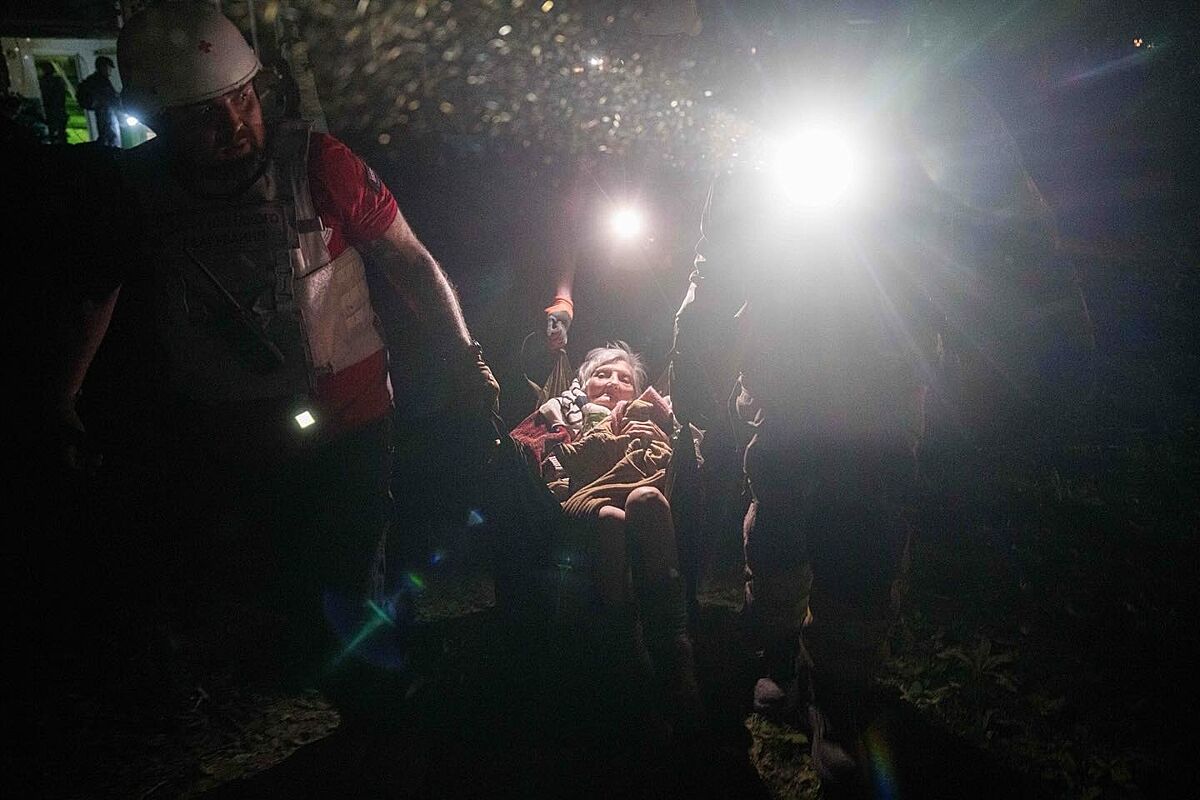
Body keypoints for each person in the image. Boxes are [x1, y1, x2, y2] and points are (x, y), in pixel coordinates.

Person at [47, 2, 499, 723]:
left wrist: (465, 359)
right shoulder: (139, 195)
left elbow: (410, 262)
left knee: (353, 562)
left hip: (352, 416)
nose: (233, 124)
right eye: (204, 114)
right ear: (160, 120)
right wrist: (60, 399)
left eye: (242, 99)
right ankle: (346, 678)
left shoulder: (322, 166)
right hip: (231, 430)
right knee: (281, 575)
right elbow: (97, 292)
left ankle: (379, 705)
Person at [511, 342, 701, 731]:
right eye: (601, 374)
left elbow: (679, 447)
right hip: (583, 501)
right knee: (611, 520)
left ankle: (672, 646)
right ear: (582, 384)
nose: (613, 382)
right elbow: (526, 445)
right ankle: (626, 644)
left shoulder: (650, 413)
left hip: (644, 485)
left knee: (647, 501)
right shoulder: (563, 415)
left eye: (624, 378)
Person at [77, 55, 121, 147]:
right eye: (108, 67)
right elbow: (110, 97)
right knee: (110, 136)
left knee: (108, 135)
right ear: (102, 67)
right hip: (105, 112)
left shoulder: (97, 79)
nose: (110, 71)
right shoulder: (100, 81)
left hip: (105, 111)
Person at [38, 63, 68, 144]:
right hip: (58, 111)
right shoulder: (57, 80)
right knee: (59, 132)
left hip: (53, 111)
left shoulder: (44, 81)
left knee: (55, 132)